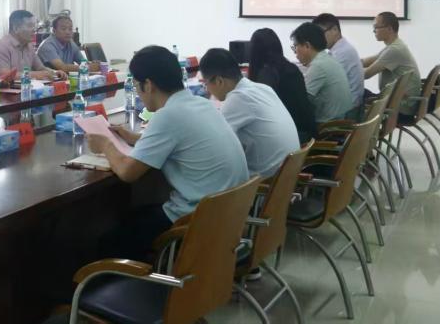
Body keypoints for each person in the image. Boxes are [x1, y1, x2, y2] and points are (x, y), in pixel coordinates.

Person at [87, 45, 248, 261]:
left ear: (148, 85)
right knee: (135, 216)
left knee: (108, 239)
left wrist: (106, 145)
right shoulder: (201, 103)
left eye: (137, 86)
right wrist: (133, 137)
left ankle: (130, 279)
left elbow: (127, 172)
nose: (138, 93)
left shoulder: (169, 115)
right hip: (225, 217)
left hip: (194, 221)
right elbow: (178, 140)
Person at [199, 48, 300, 178]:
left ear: (219, 81)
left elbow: (213, 147)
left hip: (266, 183)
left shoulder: (237, 99)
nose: (207, 90)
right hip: (288, 176)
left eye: (206, 84)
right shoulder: (263, 88)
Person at [248, 28, 316, 144]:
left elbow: (260, 112)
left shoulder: (267, 74)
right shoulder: (292, 68)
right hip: (306, 133)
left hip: (291, 136)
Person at [290, 22, 356, 124]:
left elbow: (301, 102)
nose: (295, 52)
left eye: (295, 46)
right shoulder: (327, 58)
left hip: (329, 128)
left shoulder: (318, 66)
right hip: (343, 121)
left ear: (307, 45)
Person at [362, 11, 422, 113]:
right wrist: (348, 61)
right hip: (398, 100)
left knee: (355, 96)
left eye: (376, 27)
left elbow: (366, 74)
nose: (374, 31)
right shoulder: (394, 46)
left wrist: (344, 71)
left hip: (400, 105)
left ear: (389, 28)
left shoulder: (394, 50)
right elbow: (366, 61)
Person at [0, 9, 63, 82]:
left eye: (34, 26)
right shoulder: (1, 46)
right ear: (16, 28)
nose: (34, 30)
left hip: (24, 89)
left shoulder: (29, 45)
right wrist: (38, 75)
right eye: (30, 26)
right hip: (2, 91)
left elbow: (41, 68)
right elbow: (5, 76)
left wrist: (55, 73)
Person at [313, 12, 365, 107]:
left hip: (348, 111)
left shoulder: (342, 53)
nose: (318, 39)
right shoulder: (341, 49)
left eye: (321, 34)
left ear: (335, 30)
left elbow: (324, 83)